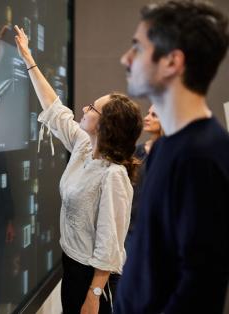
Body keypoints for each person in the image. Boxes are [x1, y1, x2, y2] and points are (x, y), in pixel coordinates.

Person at [14, 25, 143, 313]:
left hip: (92, 280)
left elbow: (109, 243)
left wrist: (94, 294)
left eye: (92, 109)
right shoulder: (85, 145)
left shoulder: (114, 176)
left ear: (107, 125)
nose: (84, 110)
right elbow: (55, 109)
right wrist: (28, 59)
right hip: (71, 266)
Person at [115, 1, 229, 313]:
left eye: (138, 47)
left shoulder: (203, 157)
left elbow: (199, 288)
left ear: (171, 62)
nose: (125, 59)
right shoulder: (167, 147)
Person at [126, 105, 163, 241]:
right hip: (131, 228)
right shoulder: (134, 152)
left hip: (158, 232)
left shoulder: (172, 155)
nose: (146, 118)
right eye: (148, 113)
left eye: (154, 115)